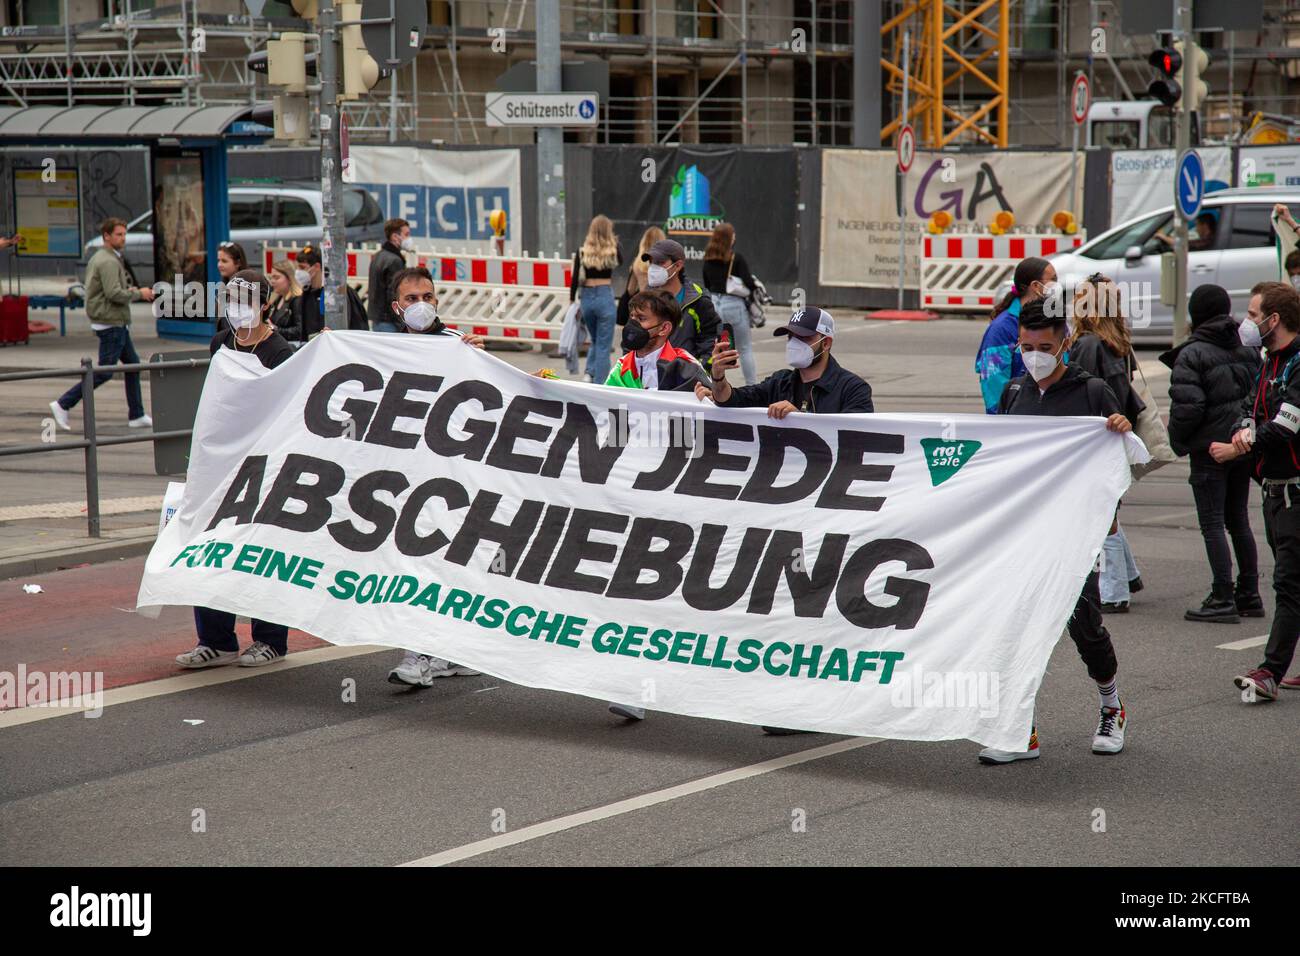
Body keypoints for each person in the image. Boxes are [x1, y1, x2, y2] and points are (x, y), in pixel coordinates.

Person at [980, 298, 1131, 764]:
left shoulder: (1092, 392)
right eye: (1026, 346)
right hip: (1024, 534)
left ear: (1065, 342)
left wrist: (1120, 432)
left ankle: (1111, 705)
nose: (1034, 354)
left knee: (1084, 625)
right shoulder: (1014, 393)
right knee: (1016, 627)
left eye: (1044, 346)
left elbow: (1115, 461)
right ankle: (1019, 728)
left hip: (1074, 535)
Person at [175, 270, 296, 669]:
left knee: (262, 551)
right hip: (221, 468)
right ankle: (216, 638)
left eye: (245, 299)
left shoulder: (279, 352)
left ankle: (270, 640)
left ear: (264, 304)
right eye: (231, 298)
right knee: (210, 548)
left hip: (264, 467)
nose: (237, 307)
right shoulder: (220, 343)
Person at [383, 266, 488, 688]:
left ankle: (424, 655)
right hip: (405, 480)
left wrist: (480, 357)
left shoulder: (459, 345)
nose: (421, 305)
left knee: (440, 563)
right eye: (412, 299)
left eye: (428, 296)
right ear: (396, 307)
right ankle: (435, 651)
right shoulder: (382, 351)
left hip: (450, 481)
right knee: (415, 563)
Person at [1212, 281, 1300, 697]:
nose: (1247, 323)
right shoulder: (1268, 361)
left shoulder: (1297, 363)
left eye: (1252, 314)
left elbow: (1287, 425)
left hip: (1295, 493)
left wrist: (1237, 448)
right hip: (1273, 490)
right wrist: (1241, 433)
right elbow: (1249, 411)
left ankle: (1269, 672)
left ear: (1274, 319)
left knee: (1288, 583)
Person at [1160, 284, 1262, 624]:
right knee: (1239, 521)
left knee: (1212, 523)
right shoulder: (1247, 347)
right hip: (1241, 445)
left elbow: (1189, 408)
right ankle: (1249, 593)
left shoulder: (1193, 354)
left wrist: (1177, 440)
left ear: (1195, 314)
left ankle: (1222, 595)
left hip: (1209, 450)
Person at [1067, 274, 1145, 613]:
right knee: (1110, 508)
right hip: (1118, 433)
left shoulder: (1087, 344)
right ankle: (1128, 575)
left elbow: (1078, 393)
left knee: (1102, 517)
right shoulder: (1118, 342)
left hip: (1097, 439)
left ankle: (1114, 592)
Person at [49, 217, 156, 431]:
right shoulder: (107, 260)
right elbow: (114, 293)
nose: (123, 238)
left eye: (124, 234)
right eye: (118, 234)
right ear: (106, 236)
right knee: (105, 372)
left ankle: (136, 414)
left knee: (133, 366)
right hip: (111, 322)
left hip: (114, 320)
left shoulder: (107, 257)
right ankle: (63, 403)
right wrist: (139, 293)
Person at [702, 306, 873, 417]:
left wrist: (799, 420)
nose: (794, 343)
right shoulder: (780, 382)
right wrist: (718, 378)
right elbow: (731, 400)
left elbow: (856, 440)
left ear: (826, 343)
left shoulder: (853, 389)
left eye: (803, 337)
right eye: (791, 336)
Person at [975, 257, 1056, 414]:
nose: (1057, 285)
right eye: (1053, 280)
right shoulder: (1002, 329)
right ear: (1035, 286)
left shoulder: (1055, 321)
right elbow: (994, 388)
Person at [641, 238, 720, 367]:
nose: (653, 268)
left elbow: (710, 340)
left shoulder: (698, 300)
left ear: (678, 265)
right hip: (647, 380)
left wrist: (698, 372)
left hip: (686, 381)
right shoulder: (643, 299)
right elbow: (631, 339)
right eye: (651, 262)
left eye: (660, 262)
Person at [701, 222, 758, 386]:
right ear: (728, 239)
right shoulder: (736, 258)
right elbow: (748, 283)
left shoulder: (708, 259)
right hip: (733, 305)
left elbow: (706, 283)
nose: (735, 237)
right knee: (744, 348)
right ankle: (752, 385)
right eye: (733, 235)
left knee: (716, 349)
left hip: (714, 304)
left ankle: (715, 384)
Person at [570, 215, 623, 384]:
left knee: (594, 339)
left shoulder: (582, 251)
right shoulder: (614, 249)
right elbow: (620, 261)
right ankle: (600, 384)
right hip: (604, 295)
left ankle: (589, 373)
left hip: (587, 297)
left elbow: (574, 278)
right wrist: (612, 241)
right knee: (603, 345)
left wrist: (572, 300)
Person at [296, 244, 369, 338]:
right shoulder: (308, 293)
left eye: (302, 267)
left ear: (317, 266)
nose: (298, 272)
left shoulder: (336, 293)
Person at [366, 217, 412, 333]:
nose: (409, 239)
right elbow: (393, 294)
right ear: (395, 236)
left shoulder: (379, 256)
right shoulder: (395, 261)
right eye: (406, 234)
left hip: (378, 319)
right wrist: (401, 323)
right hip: (389, 322)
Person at [617, 226, 665, 326]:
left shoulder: (637, 263)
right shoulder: (665, 264)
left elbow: (630, 290)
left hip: (643, 306)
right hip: (661, 305)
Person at [265, 259, 305, 343]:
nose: (272, 281)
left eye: (276, 277)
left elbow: (299, 331)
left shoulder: (297, 300)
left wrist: (273, 328)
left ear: (290, 278)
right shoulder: (277, 299)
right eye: (271, 277)